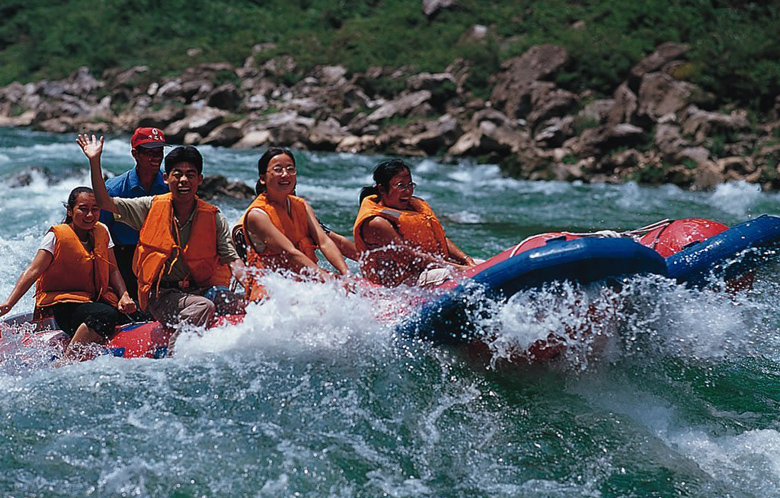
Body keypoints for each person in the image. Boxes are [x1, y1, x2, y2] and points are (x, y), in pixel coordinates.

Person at [77, 134, 248, 348]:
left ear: (200, 180)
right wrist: (94, 161)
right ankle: (175, 357)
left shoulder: (213, 216)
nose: (184, 181)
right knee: (203, 307)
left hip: (200, 289)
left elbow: (232, 260)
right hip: (162, 295)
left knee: (244, 302)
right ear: (166, 178)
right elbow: (103, 201)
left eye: (190, 175)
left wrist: (254, 289)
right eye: (178, 175)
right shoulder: (150, 207)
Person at [0, 187, 137, 362]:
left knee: (139, 314)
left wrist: (124, 296)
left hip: (94, 301)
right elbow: (33, 271)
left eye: (94, 209)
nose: (89, 215)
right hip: (65, 306)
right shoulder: (56, 237)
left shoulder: (102, 231)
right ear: (70, 211)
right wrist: (9, 304)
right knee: (105, 314)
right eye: (83, 209)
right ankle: (66, 361)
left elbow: (113, 269)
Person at [233, 147, 349, 301]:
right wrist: (326, 278)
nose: (285, 174)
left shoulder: (302, 205)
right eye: (278, 170)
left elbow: (324, 241)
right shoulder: (257, 215)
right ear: (262, 178)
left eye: (290, 169)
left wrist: (346, 274)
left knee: (353, 290)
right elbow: (290, 252)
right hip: (274, 293)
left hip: (305, 283)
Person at [353, 158, 476, 287]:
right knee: (452, 274)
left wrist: (467, 260)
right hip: (402, 286)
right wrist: (459, 269)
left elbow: (441, 239)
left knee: (481, 264)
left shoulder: (413, 208)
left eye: (410, 185)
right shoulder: (376, 222)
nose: (408, 191)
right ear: (382, 189)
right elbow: (412, 258)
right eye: (401, 186)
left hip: (433, 268)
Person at [99, 127, 170, 301]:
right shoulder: (114, 189)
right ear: (135, 154)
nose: (156, 157)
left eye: (159, 152)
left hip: (161, 256)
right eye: (150, 152)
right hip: (123, 257)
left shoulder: (170, 185)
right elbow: (100, 233)